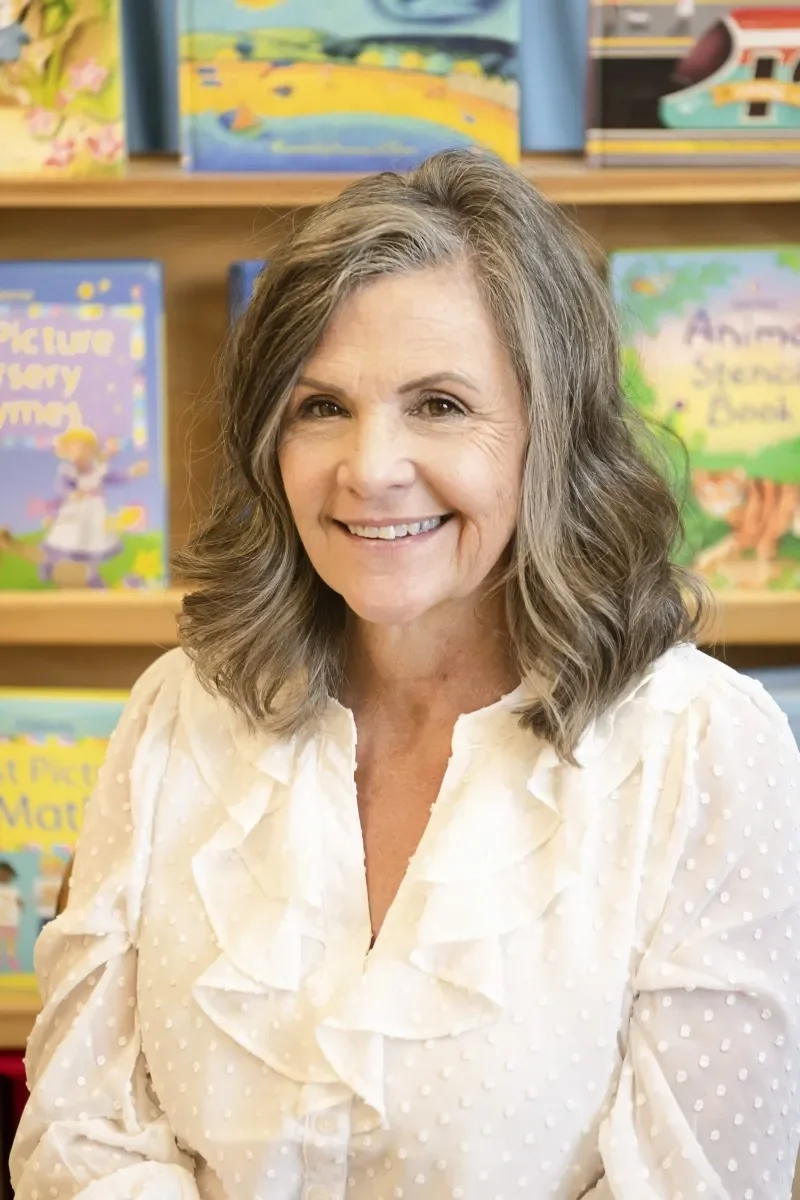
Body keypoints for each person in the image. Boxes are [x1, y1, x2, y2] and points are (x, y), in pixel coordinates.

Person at [10, 149, 800, 1200]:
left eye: (436, 404)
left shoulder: (706, 751)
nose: (369, 468)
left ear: (548, 434)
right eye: (320, 406)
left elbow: (696, 1185)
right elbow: (77, 1137)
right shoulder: (176, 712)